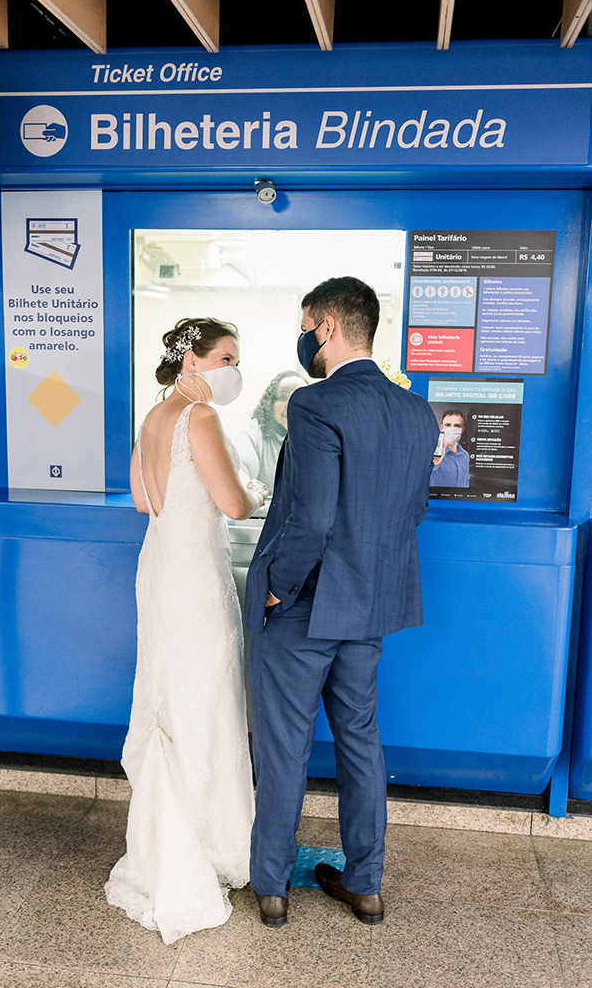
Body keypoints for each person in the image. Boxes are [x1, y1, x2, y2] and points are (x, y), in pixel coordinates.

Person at [244, 277, 439, 928]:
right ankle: (366, 884)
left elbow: (312, 520)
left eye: (305, 324)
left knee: (284, 747)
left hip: (303, 606)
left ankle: (272, 887)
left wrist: (278, 586)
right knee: (359, 740)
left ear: (325, 326)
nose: (303, 337)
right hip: (369, 603)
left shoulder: (314, 403)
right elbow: (413, 510)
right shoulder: (417, 411)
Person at [105, 317, 269, 945]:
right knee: (204, 699)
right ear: (192, 361)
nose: (234, 369)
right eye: (227, 356)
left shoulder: (153, 417)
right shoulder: (201, 420)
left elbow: (146, 502)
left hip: (159, 566)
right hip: (196, 574)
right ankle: (209, 846)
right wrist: (253, 489)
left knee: (170, 694)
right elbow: (233, 504)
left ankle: (163, 842)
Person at [230, 371, 307, 493]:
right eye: (283, 398)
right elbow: (238, 476)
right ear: (270, 403)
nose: (291, 405)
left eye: (299, 398)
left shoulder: (319, 435)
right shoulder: (249, 434)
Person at [430, 409, 470, 488]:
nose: (452, 429)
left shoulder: (465, 455)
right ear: (442, 428)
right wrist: (435, 462)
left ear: (462, 430)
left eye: (457, 426)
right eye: (448, 425)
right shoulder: (432, 453)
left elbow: (466, 482)